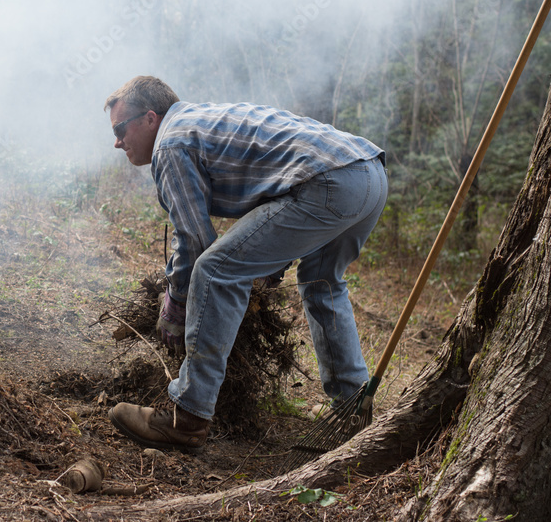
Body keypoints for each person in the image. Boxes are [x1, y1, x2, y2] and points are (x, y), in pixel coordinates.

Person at [104, 75, 387, 453]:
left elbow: (195, 241)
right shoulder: (205, 121)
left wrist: (175, 301)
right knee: (322, 282)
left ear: (151, 118)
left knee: (214, 271)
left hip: (328, 182)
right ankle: (351, 408)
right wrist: (268, 262)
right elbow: (268, 182)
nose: (117, 141)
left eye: (121, 128)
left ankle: (186, 417)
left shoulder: (170, 144)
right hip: (368, 172)